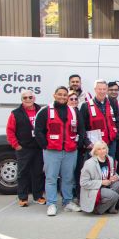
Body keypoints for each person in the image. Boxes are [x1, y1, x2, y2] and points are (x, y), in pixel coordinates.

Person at [34, 86, 85, 216]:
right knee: (51, 178)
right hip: (52, 151)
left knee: (68, 178)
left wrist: (77, 144)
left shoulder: (74, 111)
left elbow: (81, 130)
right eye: (60, 94)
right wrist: (45, 145)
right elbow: (38, 130)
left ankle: (67, 202)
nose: (62, 97)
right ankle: (51, 203)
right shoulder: (45, 111)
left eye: (65, 95)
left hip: (70, 151)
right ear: (54, 95)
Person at [6, 90, 45, 207]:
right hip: (24, 148)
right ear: (22, 100)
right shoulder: (16, 113)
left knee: (38, 173)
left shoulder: (42, 111)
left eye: (30, 97)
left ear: (34, 98)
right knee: (23, 173)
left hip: (38, 148)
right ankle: (23, 197)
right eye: (25, 98)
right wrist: (16, 145)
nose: (28, 99)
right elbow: (10, 130)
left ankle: (38, 196)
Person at [79, 141, 119, 215]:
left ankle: (110, 208)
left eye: (104, 148)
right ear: (95, 151)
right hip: (94, 189)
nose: (102, 151)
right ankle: (98, 210)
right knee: (113, 195)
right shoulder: (89, 163)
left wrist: (115, 177)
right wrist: (101, 182)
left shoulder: (110, 159)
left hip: (106, 185)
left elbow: (112, 172)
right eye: (99, 149)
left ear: (107, 149)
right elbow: (83, 183)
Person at [80, 79, 119, 158]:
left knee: (109, 167)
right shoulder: (86, 106)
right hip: (94, 145)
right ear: (95, 90)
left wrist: (116, 136)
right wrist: (87, 142)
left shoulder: (113, 102)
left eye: (104, 89)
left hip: (110, 143)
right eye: (99, 89)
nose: (102, 91)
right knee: (94, 168)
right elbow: (81, 127)